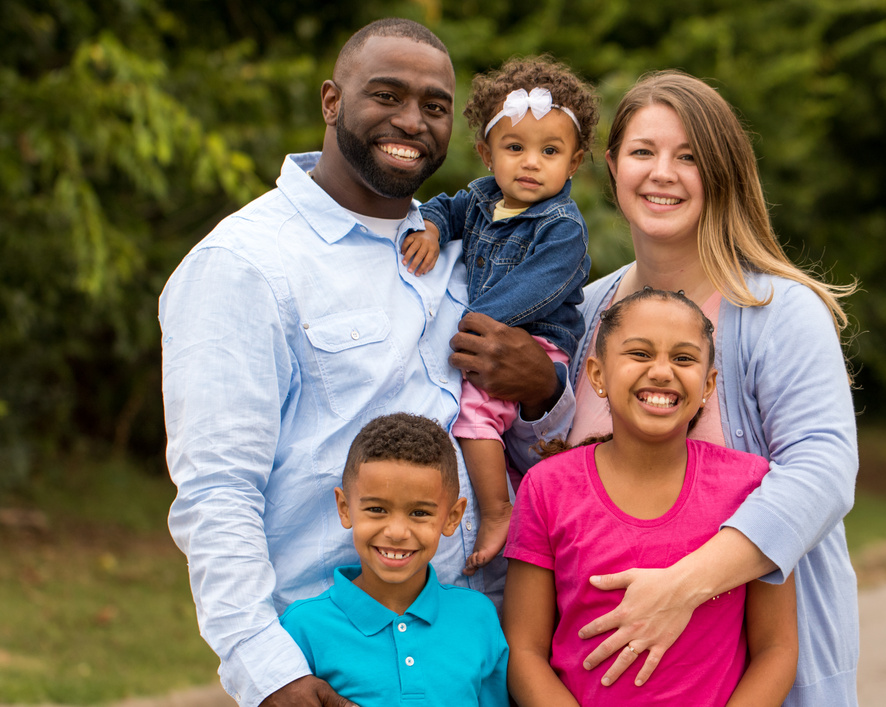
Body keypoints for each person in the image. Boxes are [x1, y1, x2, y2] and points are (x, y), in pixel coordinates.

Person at [159, 18, 560, 707]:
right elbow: (217, 490)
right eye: (386, 95)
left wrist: (542, 388)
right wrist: (269, 671)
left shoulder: (472, 256)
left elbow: (522, 438)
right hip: (329, 665)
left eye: (434, 106)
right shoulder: (245, 264)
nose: (411, 120)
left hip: (476, 653)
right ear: (330, 101)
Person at [508, 70, 860, 705]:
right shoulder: (582, 315)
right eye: (643, 152)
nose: (662, 173)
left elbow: (824, 470)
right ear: (613, 167)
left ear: (721, 173)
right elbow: (550, 489)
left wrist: (681, 587)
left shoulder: (777, 311)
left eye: (689, 157)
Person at [503, 288, 798, 706]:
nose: (662, 372)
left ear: (709, 383)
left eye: (683, 358)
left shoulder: (750, 486)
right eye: (640, 354)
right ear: (598, 375)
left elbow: (777, 649)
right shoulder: (547, 488)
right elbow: (524, 649)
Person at [400, 56, 597, 574]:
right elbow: (443, 205)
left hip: (534, 340)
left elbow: (534, 290)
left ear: (574, 163)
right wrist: (435, 231)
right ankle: (515, 498)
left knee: (475, 415)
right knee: (499, 436)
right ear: (488, 154)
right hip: (491, 336)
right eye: (515, 148)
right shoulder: (482, 199)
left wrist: (468, 322)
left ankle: (496, 512)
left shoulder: (562, 227)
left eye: (549, 151)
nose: (531, 163)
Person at [279, 413, 508, 706]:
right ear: (345, 508)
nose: (397, 532)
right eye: (377, 509)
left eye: (419, 513)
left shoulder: (478, 617)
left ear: (452, 518)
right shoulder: (302, 627)